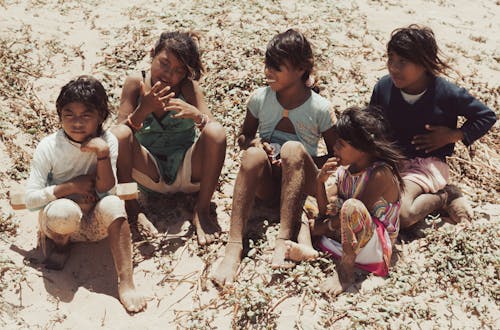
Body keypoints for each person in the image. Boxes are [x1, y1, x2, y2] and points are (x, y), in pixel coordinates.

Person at [211, 29, 337, 287]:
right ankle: (233, 246)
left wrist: (306, 163)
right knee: (253, 155)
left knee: (292, 149)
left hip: (303, 186)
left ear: (301, 69)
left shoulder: (320, 108)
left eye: (277, 67)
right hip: (269, 185)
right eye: (267, 65)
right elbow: (244, 137)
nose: (268, 72)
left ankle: (284, 239)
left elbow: (337, 156)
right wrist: (256, 142)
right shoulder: (260, 98)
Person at [25, 76, 146, 313]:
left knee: (113, 203)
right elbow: (30, 200)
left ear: (101, 116)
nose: (77, 122)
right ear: (60, 116)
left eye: (86, 115)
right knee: (64, 210)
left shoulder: (107, 140)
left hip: (93, 224)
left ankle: (126, 281)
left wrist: (101, 153)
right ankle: (61, 247)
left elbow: (107, 190)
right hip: (59, 224)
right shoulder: (49, 146)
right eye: (69, 114)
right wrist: (70, 188)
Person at [370, 25, 497, 229]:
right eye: (391, 59)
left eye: (402, 62)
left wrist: (453, 135)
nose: (393, 67)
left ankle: (446, 196)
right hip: (390, 163)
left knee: (400, 216)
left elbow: (486, 116)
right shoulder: (383, 88)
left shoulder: (445, 93)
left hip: (424, 165)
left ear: (424, 63)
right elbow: (371, 123)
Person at [111, 31, 227, 245]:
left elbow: (215, 133)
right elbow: (118, 136)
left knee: (215, 132)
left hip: (188, 171)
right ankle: (132, 209)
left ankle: (201, 210)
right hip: (149, 173)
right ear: (152, 54)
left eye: (178, 70)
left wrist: (197, 117)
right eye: (164, 63)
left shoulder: (188, 89)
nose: (168, 74)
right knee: (121, 135)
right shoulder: (136, 84)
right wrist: (142, 110)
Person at [285, 106, 406, 296]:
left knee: (350, 207)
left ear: (362, 149)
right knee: (305, 201)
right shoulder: (346, 171)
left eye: (341, 144)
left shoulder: (379, 174)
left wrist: (321, 227)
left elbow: (352, 213)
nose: (334, 148)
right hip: (347, 236)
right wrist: (320, 182)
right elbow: (324, 209)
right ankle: (308, 248)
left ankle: (345, 272)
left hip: (374, 245)